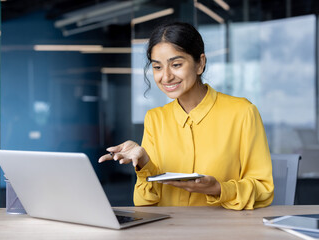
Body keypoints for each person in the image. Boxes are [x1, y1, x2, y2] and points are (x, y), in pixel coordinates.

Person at [98, 22, 274, 210]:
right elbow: (144, 202)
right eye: (157, 67)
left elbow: (263, 189)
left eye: (176, 65)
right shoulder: (156, 118)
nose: (165, 77)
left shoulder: (242, 112)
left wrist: (218, 188)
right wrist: (143, 163)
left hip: (224, 229)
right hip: (169, 229)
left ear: (200, 63)